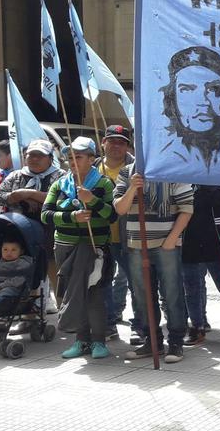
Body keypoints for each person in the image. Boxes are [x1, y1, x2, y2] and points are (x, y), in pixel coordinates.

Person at [41, 137, 116, 360]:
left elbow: (111, 215)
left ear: (92, 159)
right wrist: (72, 217)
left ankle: (99, 342)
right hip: (64, 247)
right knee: (74, 294)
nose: (73, 161)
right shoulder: (59, 184)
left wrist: (91, 200)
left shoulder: (103, 184)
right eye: (70, 156)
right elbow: (46, 215)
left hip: (94, 247)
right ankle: (81, 341)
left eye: (79, 156)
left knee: (94, 294)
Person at [114, 164, 194, 363]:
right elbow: (120, 208)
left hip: (167, 243)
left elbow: (187, 209)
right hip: (136, 244)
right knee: (141, 295)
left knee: (172, 292)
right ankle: (153, 340)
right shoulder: (126, 173)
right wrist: (133, 187)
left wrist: (171, 239)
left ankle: (176, 341)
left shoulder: (174, 171)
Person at [0, 139, 64, 318]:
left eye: (40, 155)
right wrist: (16, 196)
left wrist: (30, 194)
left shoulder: (60, 175)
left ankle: (65, 311)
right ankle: (28, 313)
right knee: (27, 271)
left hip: (52, 229)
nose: (34, 159)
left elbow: (63, 198)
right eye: (31, 155)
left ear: (49, 158)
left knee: (56, 271)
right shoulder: (16, 176)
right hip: (21, 231)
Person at [160, 46, 220, 170]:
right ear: (172, 99)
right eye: (187, 89)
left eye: (214, 89)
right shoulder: (163, 161)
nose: (203, 102)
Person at [95, 125, 134, 342]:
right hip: (100, 237)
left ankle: (140, 326)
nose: (116, 146)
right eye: (112, 141)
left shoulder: (137, 168)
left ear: (128, 145)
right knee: (102, 283)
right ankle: (109, 324)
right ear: (103, 142)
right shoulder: (92, 169)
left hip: (128, 237)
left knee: (137, 283)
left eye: (121, 142)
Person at [181, 185, 220, 346]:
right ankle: (198, 327)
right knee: (192, 289)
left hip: (214, 246)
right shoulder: (183, 187)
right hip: (190, 245)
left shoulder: (216, 190)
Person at [0, 237, 34, 313]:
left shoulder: (23, 263)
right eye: (5, 249)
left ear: (21, 251)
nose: (9, 253)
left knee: (7, 291)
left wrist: (1, 287)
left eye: (13, 250)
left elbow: (19, 281)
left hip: (16, 291)